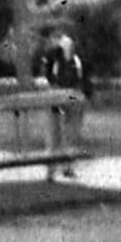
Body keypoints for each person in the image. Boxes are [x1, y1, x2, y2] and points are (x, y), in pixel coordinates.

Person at [41, 31, 93, 181]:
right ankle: (51, 170)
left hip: (74, 97)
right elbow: (48, 74)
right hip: (57, 97)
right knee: (54, 133)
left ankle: (67, 166)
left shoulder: (79, 58)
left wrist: (86, 95)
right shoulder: (53, 56)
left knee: (71, 133)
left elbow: (85, 77)